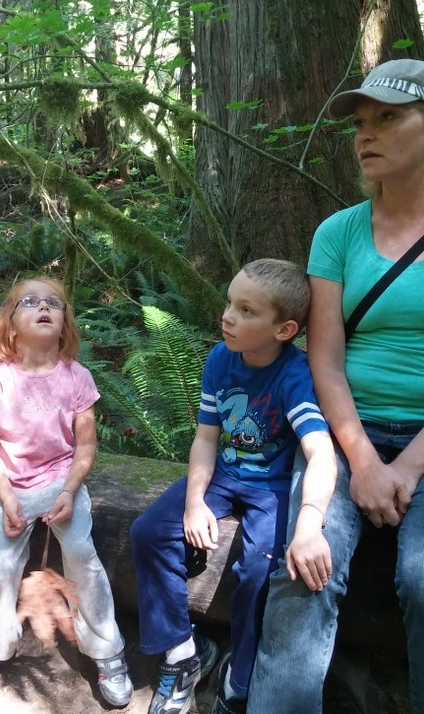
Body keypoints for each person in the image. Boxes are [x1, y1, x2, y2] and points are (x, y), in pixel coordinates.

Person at [248, 59, 424, 714]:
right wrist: (366, 463)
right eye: (361, 123)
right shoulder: (338, 232)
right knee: (304, 572)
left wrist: (407, 465)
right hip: (344, 439)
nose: (366, 134)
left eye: (388, 118)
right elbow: (326, 363)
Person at [131, 258, 337, 714]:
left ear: (283, 329)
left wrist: (311, 523)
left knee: (259, 572)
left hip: (275, 487)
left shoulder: (294, 375)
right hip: (225, 472)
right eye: (230, 302)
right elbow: (206, 439)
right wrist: (193, 504)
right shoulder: (221, 359)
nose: (228, 316)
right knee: (148, 532)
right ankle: (183, 653)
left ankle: (240, 676)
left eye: (246, 310)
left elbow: (321, 451)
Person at [0, 276, 133, 709]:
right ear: (9, 323)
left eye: (54, 303)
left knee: (82, 557)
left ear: (64, 323)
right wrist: (5, 497)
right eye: (31, 301)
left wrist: (71, 491)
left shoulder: (76, 377)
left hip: (62, 482)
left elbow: (86, 445)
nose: (44, 307)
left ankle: (106, 649)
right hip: (11, 486)